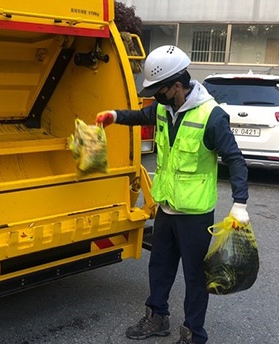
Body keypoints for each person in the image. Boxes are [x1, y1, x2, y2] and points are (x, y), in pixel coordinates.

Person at [95, 45, 249, 344]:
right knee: (160, 268)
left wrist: (240, 203)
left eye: (158, 90)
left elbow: (235, 159)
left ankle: (194, 333)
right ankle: (157, 317)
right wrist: (114, 116)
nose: (154, 97)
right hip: (166, 208)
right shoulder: (164, 110)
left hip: (195, 215)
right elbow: (140, 116)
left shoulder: (211, 116)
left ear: (176, 85)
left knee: (195, 278)